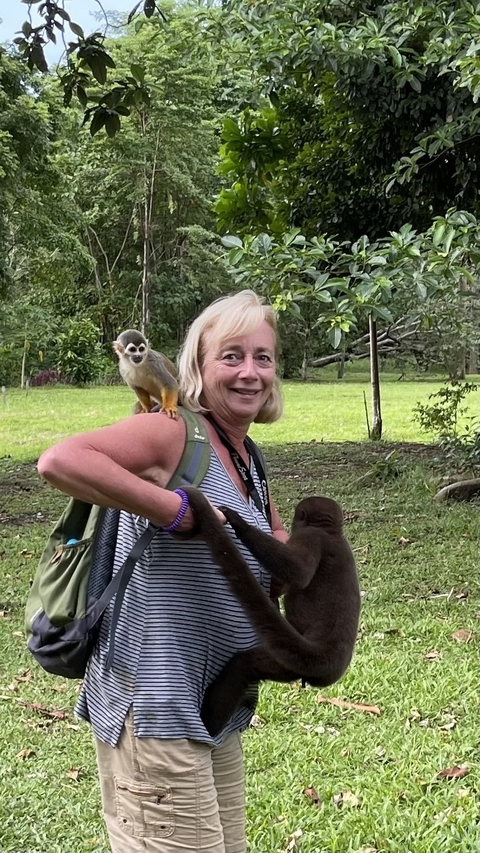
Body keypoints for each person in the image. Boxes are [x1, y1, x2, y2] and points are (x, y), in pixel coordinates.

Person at [37, 289, 287, 853]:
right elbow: (61, 460)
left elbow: (270, 542)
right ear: (196, 366)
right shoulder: (175, 433)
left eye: (263, 358)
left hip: (214, 703)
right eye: (232, 356)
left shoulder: (247, 454)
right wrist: (173, 511)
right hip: (157, 704)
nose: (250, 372)